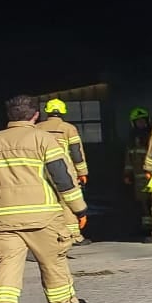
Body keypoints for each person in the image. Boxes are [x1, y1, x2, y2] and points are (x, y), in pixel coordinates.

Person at [0, 95, 90, 303]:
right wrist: (79, 208)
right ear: (35, 115)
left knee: (7, 266)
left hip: (3, 218)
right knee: (53, 261)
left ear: (9, 116)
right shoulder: (43, 139)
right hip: (42, 217)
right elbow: (63, 178)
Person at [37, 98, 89, 242]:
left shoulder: (37, 128)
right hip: (65, 171)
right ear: (62, 112)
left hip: (41, 172)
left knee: (47, 202)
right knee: (67, 201)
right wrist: (82, 172)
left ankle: (50, 235)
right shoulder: (68, 128)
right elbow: (76, 152)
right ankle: (74, 236)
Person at [125, 108, 152, 241]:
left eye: (143, 121)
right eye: (138, 121)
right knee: (143, 203)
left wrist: (149, 169)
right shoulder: (131, 138)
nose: (141, 123)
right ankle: (147, 227)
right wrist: (127, 173)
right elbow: (128, 158)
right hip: (138, 177)